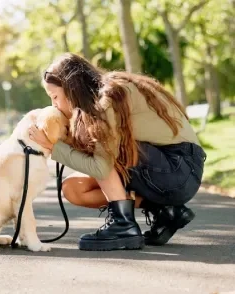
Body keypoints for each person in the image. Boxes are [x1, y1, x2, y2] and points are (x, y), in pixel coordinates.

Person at [28, 53, 206, 251]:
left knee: (104, 150)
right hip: (170, 169)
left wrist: (53, 148)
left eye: (55, 97)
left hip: (179, 169)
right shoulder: (100, 99)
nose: (54, 105)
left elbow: (102, 168)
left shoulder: (108, 99)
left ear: (71, 88)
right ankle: (166, 210)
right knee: (74, 188)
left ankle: (123, 226)